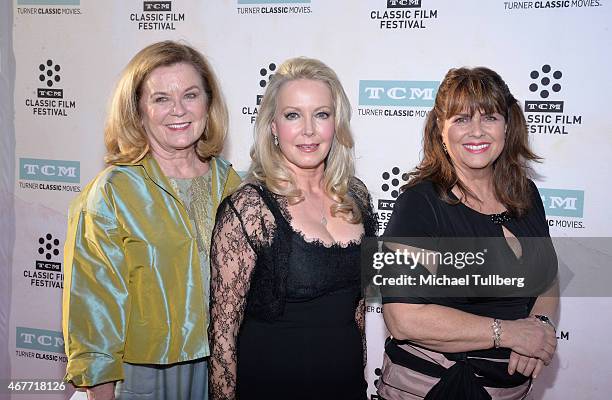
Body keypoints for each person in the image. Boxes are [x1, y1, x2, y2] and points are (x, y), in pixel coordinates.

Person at [62, 41, 241, 400]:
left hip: (226, 370)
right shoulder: (112, 191)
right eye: (161, 98)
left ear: (208, 104)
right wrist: (99, 390)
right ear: (138, 110)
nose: (178, 110)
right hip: (143, 376)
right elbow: (92, 304)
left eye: (190, 95)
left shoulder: (232, 184)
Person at [376, 67, 559, 399]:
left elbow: (547, 278)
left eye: (489, 117)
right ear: (441, 131)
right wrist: (510, 334)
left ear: (508, 125)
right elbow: (402, 317)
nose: (477, 132)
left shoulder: (526, 194)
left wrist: (541, 324)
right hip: (431, 388)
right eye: (461, 119)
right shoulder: (419, 205)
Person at [209, 57, 375, 400]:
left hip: (345, 386)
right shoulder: (249, 209)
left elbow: (359, 312)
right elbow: (223, 335)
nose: (309, 130)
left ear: (337, 122)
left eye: (322, 114)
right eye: (293, 115)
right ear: (273, 125)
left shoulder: (357, 196)